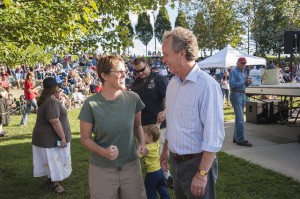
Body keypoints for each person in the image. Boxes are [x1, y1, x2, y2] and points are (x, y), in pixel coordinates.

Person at [159, 27, 225, 199]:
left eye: (166, 54)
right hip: (177, 162)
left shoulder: (207, 86)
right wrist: (165, 150)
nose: (163, 59)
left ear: (181, 53)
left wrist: (202, 174)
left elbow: (213, 137)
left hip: (197, 165)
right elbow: (173, 123)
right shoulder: (173, 84)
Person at [79, 55, 148, 199]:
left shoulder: (133, 98)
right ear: (104, 75)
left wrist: (141, 142)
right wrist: (103, 152)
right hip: (102, 170)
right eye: (119, 72)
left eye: (125, 71)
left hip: (131, 167)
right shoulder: (91, 104)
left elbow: (138, 125)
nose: (125, 75)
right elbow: (85, 139)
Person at [131, 57, 174, 188]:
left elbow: (166, 97)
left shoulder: (159, 79)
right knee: (146, 153)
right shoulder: (136, 83)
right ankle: (153, 177)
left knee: (160, 152)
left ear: (148, 65)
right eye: (137, 71)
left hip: (158, 125)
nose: (140, 73)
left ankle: (166, 177)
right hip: (142, 127)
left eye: (142, 70)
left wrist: (166, 111)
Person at [32, 77, 72, 193]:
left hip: (45, 137)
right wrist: (63, 137)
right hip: (49, 138)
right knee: (54, 159)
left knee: (51, 159)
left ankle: (51, 178)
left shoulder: (48, 100)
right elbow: (54, 120)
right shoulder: (51, 102)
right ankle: (56, 184)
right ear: (54, 87)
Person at [140, 124, 170, 199]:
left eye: (144, 136)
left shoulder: (147, 148)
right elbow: (157, 131)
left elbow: (138, 155)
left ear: (151, 136)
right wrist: (158, 124)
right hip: (159, 171)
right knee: (162, 189)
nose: (142, 138)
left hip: (151, 174)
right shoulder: (157, 143)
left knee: (150, 193)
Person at [229, 57, 253, 147]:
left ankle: (236, 138)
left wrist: (247, 83)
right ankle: (240, 139)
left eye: (244, 63)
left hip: (241, 95)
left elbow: (242, 84)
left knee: (238, 118)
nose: (243, 65)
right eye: (242, 63)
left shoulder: (241, 72)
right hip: (236, 95)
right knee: (240, 119)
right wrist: (244, 82)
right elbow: (232, 85)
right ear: (237, 63)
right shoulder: (234, 71)